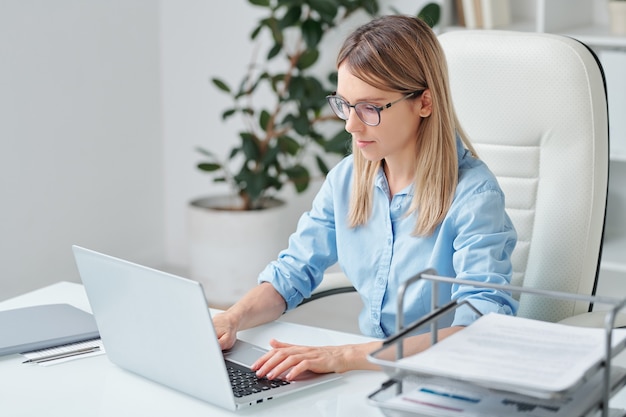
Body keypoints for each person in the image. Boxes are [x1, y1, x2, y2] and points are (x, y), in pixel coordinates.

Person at [213, 14, 518, 382]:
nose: (350, 125)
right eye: (344, 104)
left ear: (424, 102)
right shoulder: (347, 180)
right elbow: (290, 273)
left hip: (444, 380)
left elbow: (478, 330)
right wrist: (232, 318)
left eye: (370, 108)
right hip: (373, 375)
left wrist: (344, 355)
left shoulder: (474, 197)